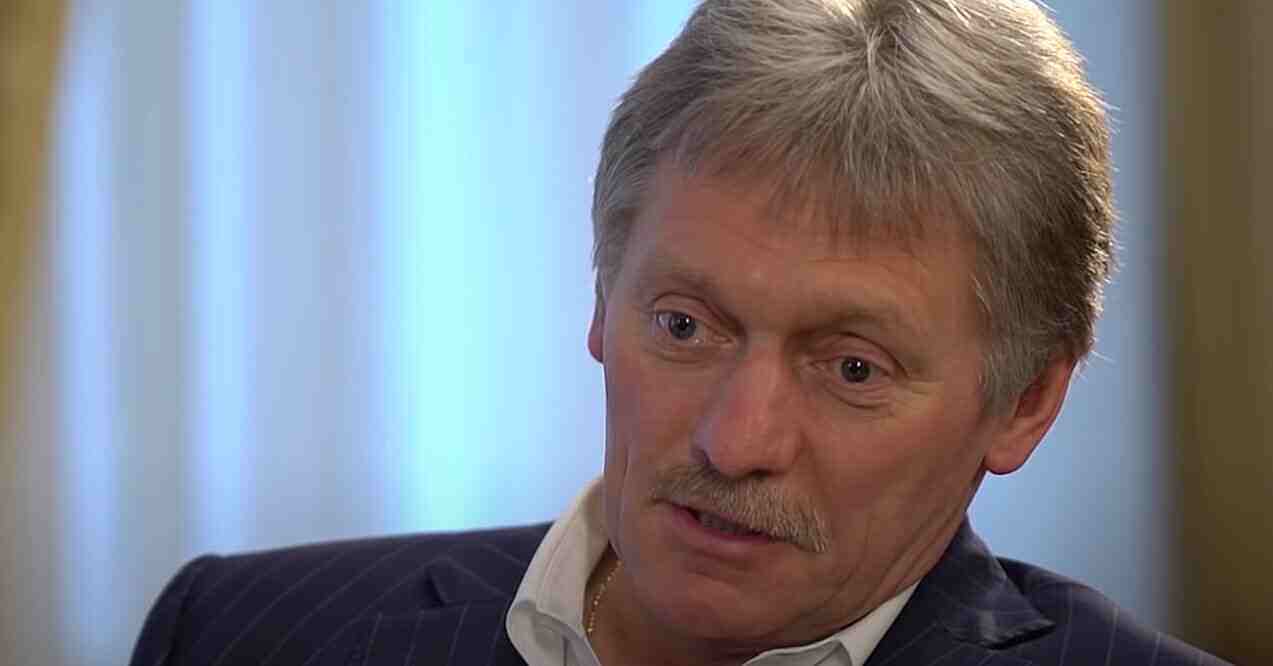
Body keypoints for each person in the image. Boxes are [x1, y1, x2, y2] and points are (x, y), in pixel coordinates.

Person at [130, 1, 1229, 664]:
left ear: (1025, 401)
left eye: (852, 367)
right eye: (686, 325)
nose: (734, 441)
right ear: (600, 299)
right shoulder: (240, 634)